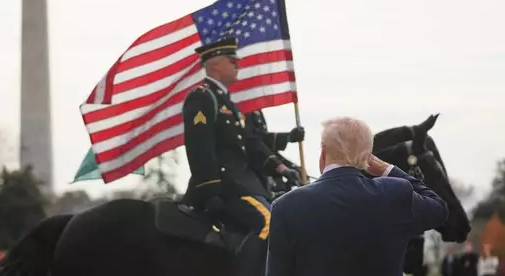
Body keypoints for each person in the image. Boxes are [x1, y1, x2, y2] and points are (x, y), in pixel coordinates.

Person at [266, 116, 449, 276]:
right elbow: (439, 209)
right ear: (369, 157)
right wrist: (389, 170)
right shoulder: (395, 192)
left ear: (322, 154)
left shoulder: (285, 206)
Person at [182, 37, 300, 276]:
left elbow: (250, 145)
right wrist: (209, 190)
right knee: (269, 223)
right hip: (228, 185)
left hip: (245, 182)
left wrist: (281, 169)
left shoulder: (227, 102)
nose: (238, 65)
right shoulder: (202, 97)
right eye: (232, 61)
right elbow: (199, 148)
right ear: (215, 65)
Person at [245, 109, 305, 196]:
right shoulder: (243, 107)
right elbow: (252, 144)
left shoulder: (255, 109)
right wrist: (282, 168)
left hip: (268, 178)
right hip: (249, 180)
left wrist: (291, 166)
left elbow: (263, 141)